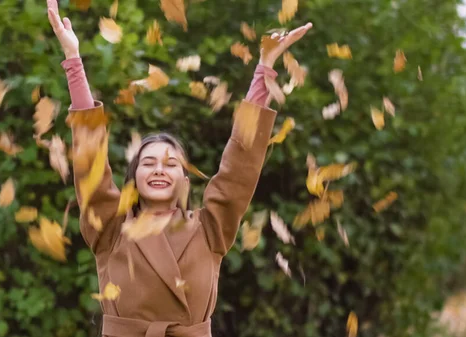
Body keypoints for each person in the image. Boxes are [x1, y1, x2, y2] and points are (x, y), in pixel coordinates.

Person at [47, 0, 312, 335]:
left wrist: (265, 69)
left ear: (184, 181)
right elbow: (90, 163)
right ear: (134, 179)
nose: (160, 169)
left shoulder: (210, 227)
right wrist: (73, 61)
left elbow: (239, 166)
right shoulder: (111, 228)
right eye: (149, 163)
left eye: (171, 164)